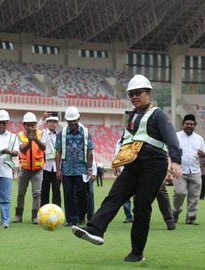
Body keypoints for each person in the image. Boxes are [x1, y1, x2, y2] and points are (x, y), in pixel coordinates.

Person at [71, 74, 182, 262]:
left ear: (149, 94)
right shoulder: (132, 117)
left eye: (138, 93)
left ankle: (137, 253)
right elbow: (127, 141)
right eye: (131, 94)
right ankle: (95, 229)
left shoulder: (158, 114)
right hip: (132, 165)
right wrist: (119, 161)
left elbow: (171, 137)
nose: (134, 97)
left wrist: (176, 161)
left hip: (153, 165)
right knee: (114, 196)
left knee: (141, 207)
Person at [55, 106, 94, 226]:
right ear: (66, 121)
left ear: (78, 119)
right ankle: (71, 220)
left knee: (82, 194)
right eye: (69, 121)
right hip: (66, 170)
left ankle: (81, 216)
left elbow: (89, 152)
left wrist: (90, 169)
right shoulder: (62, 134)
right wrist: (58, 170)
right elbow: (58, 152)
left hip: (81, 170)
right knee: (68, 195)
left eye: (74, 120)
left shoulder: (86, 133)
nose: (72, 123)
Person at [173, 114, 205, 225]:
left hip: (195, 171)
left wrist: (203, 154)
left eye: (191, 124)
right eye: (187, 124)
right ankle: (175, 212)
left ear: (195, 126)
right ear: (182, 125)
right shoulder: (175, 136)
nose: (189, 126)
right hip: (180, 171)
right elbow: (170, 151)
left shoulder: (199, 138)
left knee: (194, 196)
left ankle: (191, 218)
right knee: (180, 193)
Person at [14, 112, 46, 224]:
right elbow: (22, 150)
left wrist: (36, 139)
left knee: (37, 193)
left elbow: (44, 147)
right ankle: (18, 215)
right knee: (21, 193)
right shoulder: (19, 136)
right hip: (24, 169)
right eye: (29, 125)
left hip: (37, 169)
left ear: (36, 124)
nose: (31, 127)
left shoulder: (41, 134)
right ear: (24, 125)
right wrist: (30, 141)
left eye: (33, 125)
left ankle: (35, 216)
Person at [37, 112, 61, 207]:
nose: (52, 123)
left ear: (57, 124)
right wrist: (42, 118)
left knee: (56, 191)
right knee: (44, 191)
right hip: (45, 167)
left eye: (54, 122)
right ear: (47, 123)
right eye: (50, 121)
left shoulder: (59, 135)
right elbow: (37, 129)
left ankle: (57, 213)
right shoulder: (43, 133)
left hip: (56, 168)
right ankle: (43, 212)